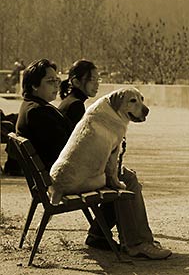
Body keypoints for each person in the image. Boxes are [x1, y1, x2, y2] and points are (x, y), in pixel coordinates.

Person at [16, 59, 171, 260]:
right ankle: (136, 242)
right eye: (50, 81)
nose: (56, 84)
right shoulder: (41, 112)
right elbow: (70, 149)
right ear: (34, 85)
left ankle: (106, 233)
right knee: (127, 180)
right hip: (66, 178)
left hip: (55, 176)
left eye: (57, 80)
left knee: (123, 176)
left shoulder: (35, 107)